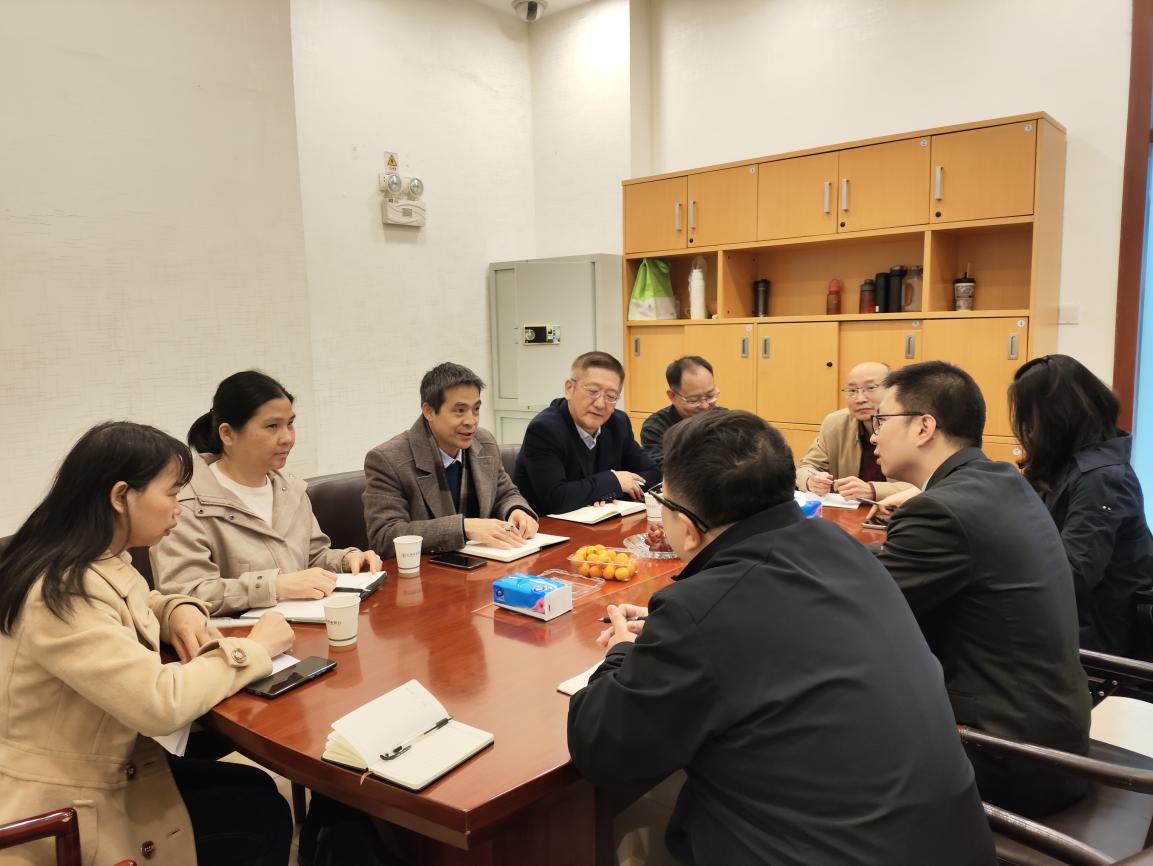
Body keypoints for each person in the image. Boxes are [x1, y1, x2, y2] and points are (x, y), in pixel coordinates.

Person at [568, 410, 995, 866]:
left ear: (688, 530)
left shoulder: (702, 611)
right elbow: (768, 630)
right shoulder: (841, 547)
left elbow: (603, 748)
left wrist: (621, 653)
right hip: (952, 840)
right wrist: (674, 633)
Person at [0, 422, 295, 866]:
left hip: (103, 767)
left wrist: (176, 609)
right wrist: (255, 649)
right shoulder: (62, 591)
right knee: (256, 817)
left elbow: (134, 602)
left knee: (255, 791)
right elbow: (160, 704)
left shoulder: (85, 556)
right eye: (172, 494)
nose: (179, 508)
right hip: (70, 808)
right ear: (121, 496)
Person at [870, 360, 1091, 817]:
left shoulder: (941, 511)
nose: (873, 436)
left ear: (924, 427)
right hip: (1052, 736)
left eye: (881, 420)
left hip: (1002, 755)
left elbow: (862, 611)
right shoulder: (1001, 482)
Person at [152, 370, 381, 615]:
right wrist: (275, 586)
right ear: (227, 434)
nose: (287, 438)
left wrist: (346, 560)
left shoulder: (290, 489)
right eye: (272, 426)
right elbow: (187, 593)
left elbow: (312, 557)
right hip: (236, 635)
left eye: (290, 424)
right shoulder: (184, 503)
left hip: (302, 625)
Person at [1010, 354, 1153, 657]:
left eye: (1031, 419)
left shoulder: (1101, 477)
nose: (1027, 430)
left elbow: (1072, 575)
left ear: (1055, 418)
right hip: (1067, 627)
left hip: (1100, 643)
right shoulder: (1061, 467)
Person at [364, 362, 538, 557]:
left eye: (476, 409)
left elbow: (505, 493)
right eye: (460, 410)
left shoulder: (484, 442)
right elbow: (384, 536)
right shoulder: (387, 459)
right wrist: (463, 528)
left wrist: (516, 510)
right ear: (429, 411)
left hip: (487, 563)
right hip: (428, 570)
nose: (471, 421)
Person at [514, 352, 661, 515]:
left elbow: (653, 475)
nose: (600, 404)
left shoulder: (618, 423)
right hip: (547, 526)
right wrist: (613, 482)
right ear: (569, 389)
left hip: (603, 523)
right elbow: (556, 498)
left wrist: (606, 492)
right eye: (592, 391)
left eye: (611, 396)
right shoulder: (544, 429)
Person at [795, 360, 915, 501]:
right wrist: (811, 480)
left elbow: (929, 485)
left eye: (870, 388)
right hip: (848, 511)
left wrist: (873, 490)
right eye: (852, 391)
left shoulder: (912, 426)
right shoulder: (835, 424)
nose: (859, 399)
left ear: (893, 391)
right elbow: (805, 467)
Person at [639, 356, 722, 469]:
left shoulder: (724, 419)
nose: (705, 406)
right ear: (672, 396)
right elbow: (665, 471)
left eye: (710, 396)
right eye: (694, 400)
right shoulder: (656, 428)